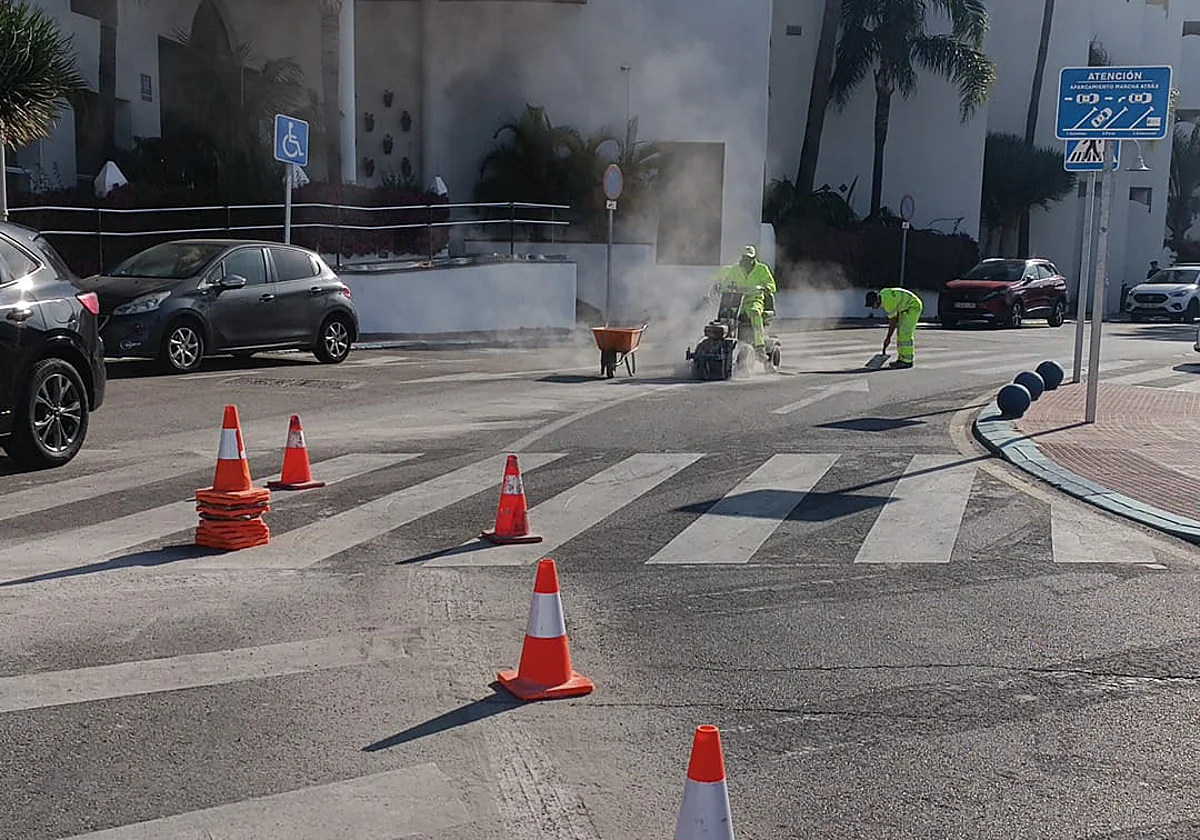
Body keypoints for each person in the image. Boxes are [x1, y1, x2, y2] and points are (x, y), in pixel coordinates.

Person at [716, 245, 777, 359]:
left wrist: (766, 288)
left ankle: (759, 347)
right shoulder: (735, 269)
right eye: (744, 258)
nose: (746, 261)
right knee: (725, 315)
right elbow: (727, 284)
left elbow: (771, 285)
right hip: (737, 301)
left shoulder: (762, 269)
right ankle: (722, 342)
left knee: (754, 313)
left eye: (749, 258)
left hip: (754, 301)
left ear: (753, 258)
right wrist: (720, 287)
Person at [865, 287, 923, 369]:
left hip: (913, 307)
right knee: (900, 333)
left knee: (905, 333)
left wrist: (888, 338)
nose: (872, 307)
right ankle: (901, 359)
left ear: (877, 300)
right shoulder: (883, 294)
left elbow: (892, 322)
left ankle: (907, 361)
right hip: (904, 308)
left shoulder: (888, 303)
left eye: (872, 305)